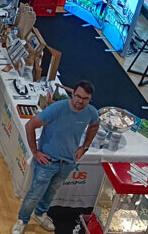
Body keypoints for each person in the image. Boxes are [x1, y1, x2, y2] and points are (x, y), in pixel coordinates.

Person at [11, 82, 100, 234]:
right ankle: (22, 220)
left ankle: (40, 214)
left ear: (90, 99)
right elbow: (30, 126)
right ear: (72, 93)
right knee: (35, 194)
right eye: (78, 96)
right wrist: (36, 152)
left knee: (51, 192)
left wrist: (84, 147)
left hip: (68, 162)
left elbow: (94, 125)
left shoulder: (91, 112)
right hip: (47, 161)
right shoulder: (57, 108)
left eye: (85, 98)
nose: (80, 101)